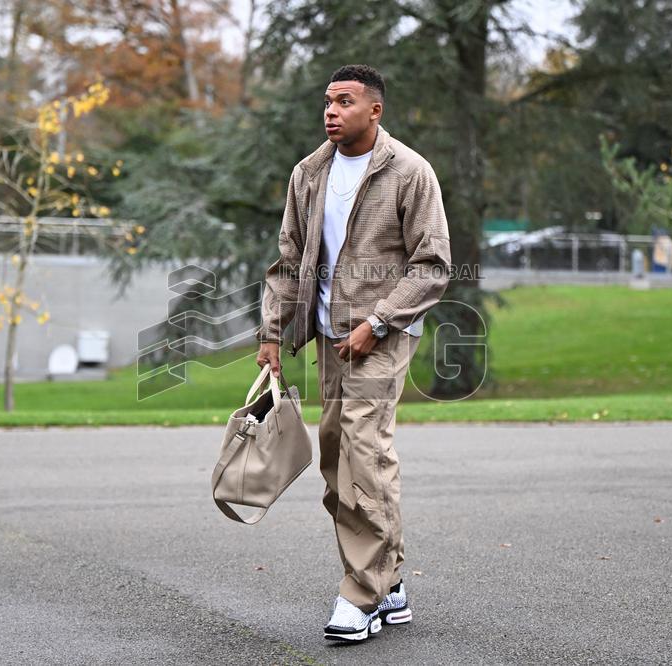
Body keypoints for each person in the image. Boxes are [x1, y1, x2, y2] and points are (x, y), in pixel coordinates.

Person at [254, 64, 451, 642]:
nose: (331, 112)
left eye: (344, 101)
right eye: (328, 102)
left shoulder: (409, 171)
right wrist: (272, 332)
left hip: (383, 337)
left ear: (375, 110)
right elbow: (290, 259)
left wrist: (378, 321)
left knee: (364, 452)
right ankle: (391, 583)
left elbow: (432, 265)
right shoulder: (309, 173)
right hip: (329, 337)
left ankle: (361, 595)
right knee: (337, 460)